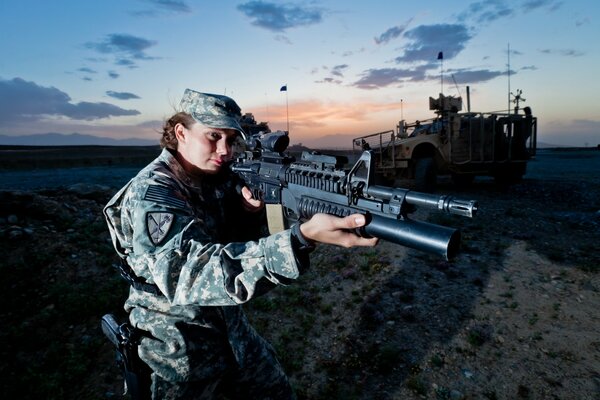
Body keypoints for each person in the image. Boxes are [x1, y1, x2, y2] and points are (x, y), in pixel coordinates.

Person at [103, 88, 378, 399]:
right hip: (177, 347)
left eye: (232, 139)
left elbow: (228, 240)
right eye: (213, 136)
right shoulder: (152, 194)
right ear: (181, 133)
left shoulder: (217, 176)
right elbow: (190, 274)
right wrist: (300, 239)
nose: (225, 150)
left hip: (231, 332)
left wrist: (248, 214)